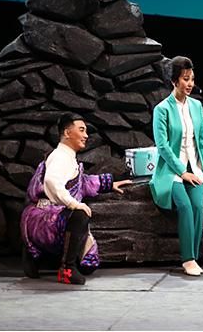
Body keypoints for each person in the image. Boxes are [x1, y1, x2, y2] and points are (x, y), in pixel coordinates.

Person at [20, 113, 133, 285]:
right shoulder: (60, 157)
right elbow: (51, 181)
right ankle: (67, 268)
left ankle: (35, 257)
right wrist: (73, 204)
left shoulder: (66, 157)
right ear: (67, 133)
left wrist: (109, 184)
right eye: (81, 130)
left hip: (48, 214)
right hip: (45, 218)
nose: (86, 135)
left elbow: (82, 182)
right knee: (80, 215)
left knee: (89, 264)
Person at [149, 56, 203, 276]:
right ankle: (188, 259)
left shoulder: (196, 106)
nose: (190, 84)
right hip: (171, 171)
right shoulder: (162, 109)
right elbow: (162, 146)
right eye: (185, 79)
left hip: (195, 168)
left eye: (192, 79)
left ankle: (194, 256)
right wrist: (182, 172)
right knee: (185, 207)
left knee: (198, 206)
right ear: (174, 81)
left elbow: (202, 142)